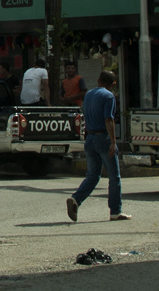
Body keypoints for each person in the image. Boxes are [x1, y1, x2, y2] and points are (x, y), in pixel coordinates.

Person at [66, 70, 130, 222]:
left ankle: (76, 199)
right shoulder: (109, 96)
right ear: (113, 84)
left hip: (90, 138)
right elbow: (109, 119)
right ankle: (115, 211)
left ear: (98, 80)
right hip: (103, 138)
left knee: (93, 175)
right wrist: (113, 142)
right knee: (114, 176)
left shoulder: (88, 95)